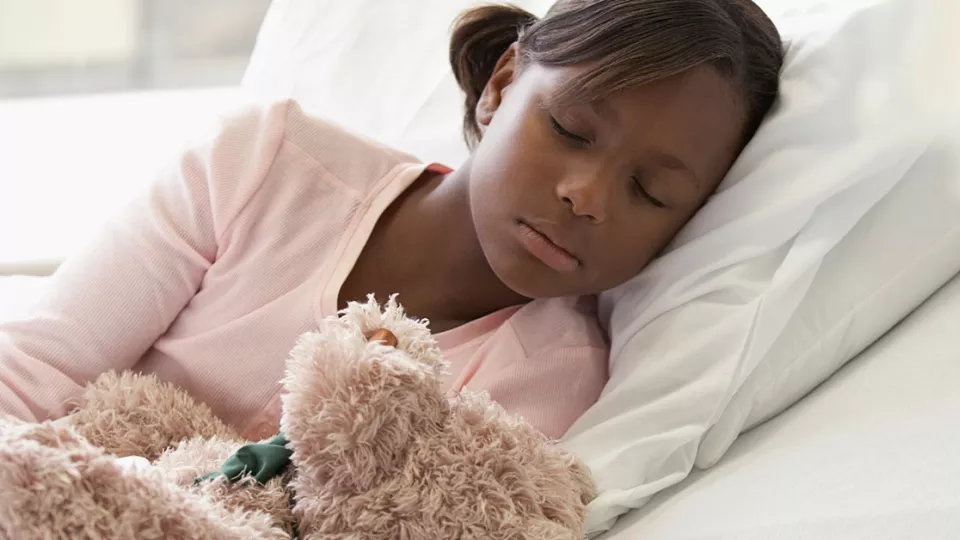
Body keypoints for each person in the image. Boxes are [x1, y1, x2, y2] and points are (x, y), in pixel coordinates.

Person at [0, 0, 782, 441]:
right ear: (504, 85)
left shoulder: (557, 385)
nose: (588, 195)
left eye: (650, 193)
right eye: (573, 131)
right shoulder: (261, 161)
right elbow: (34, 369)